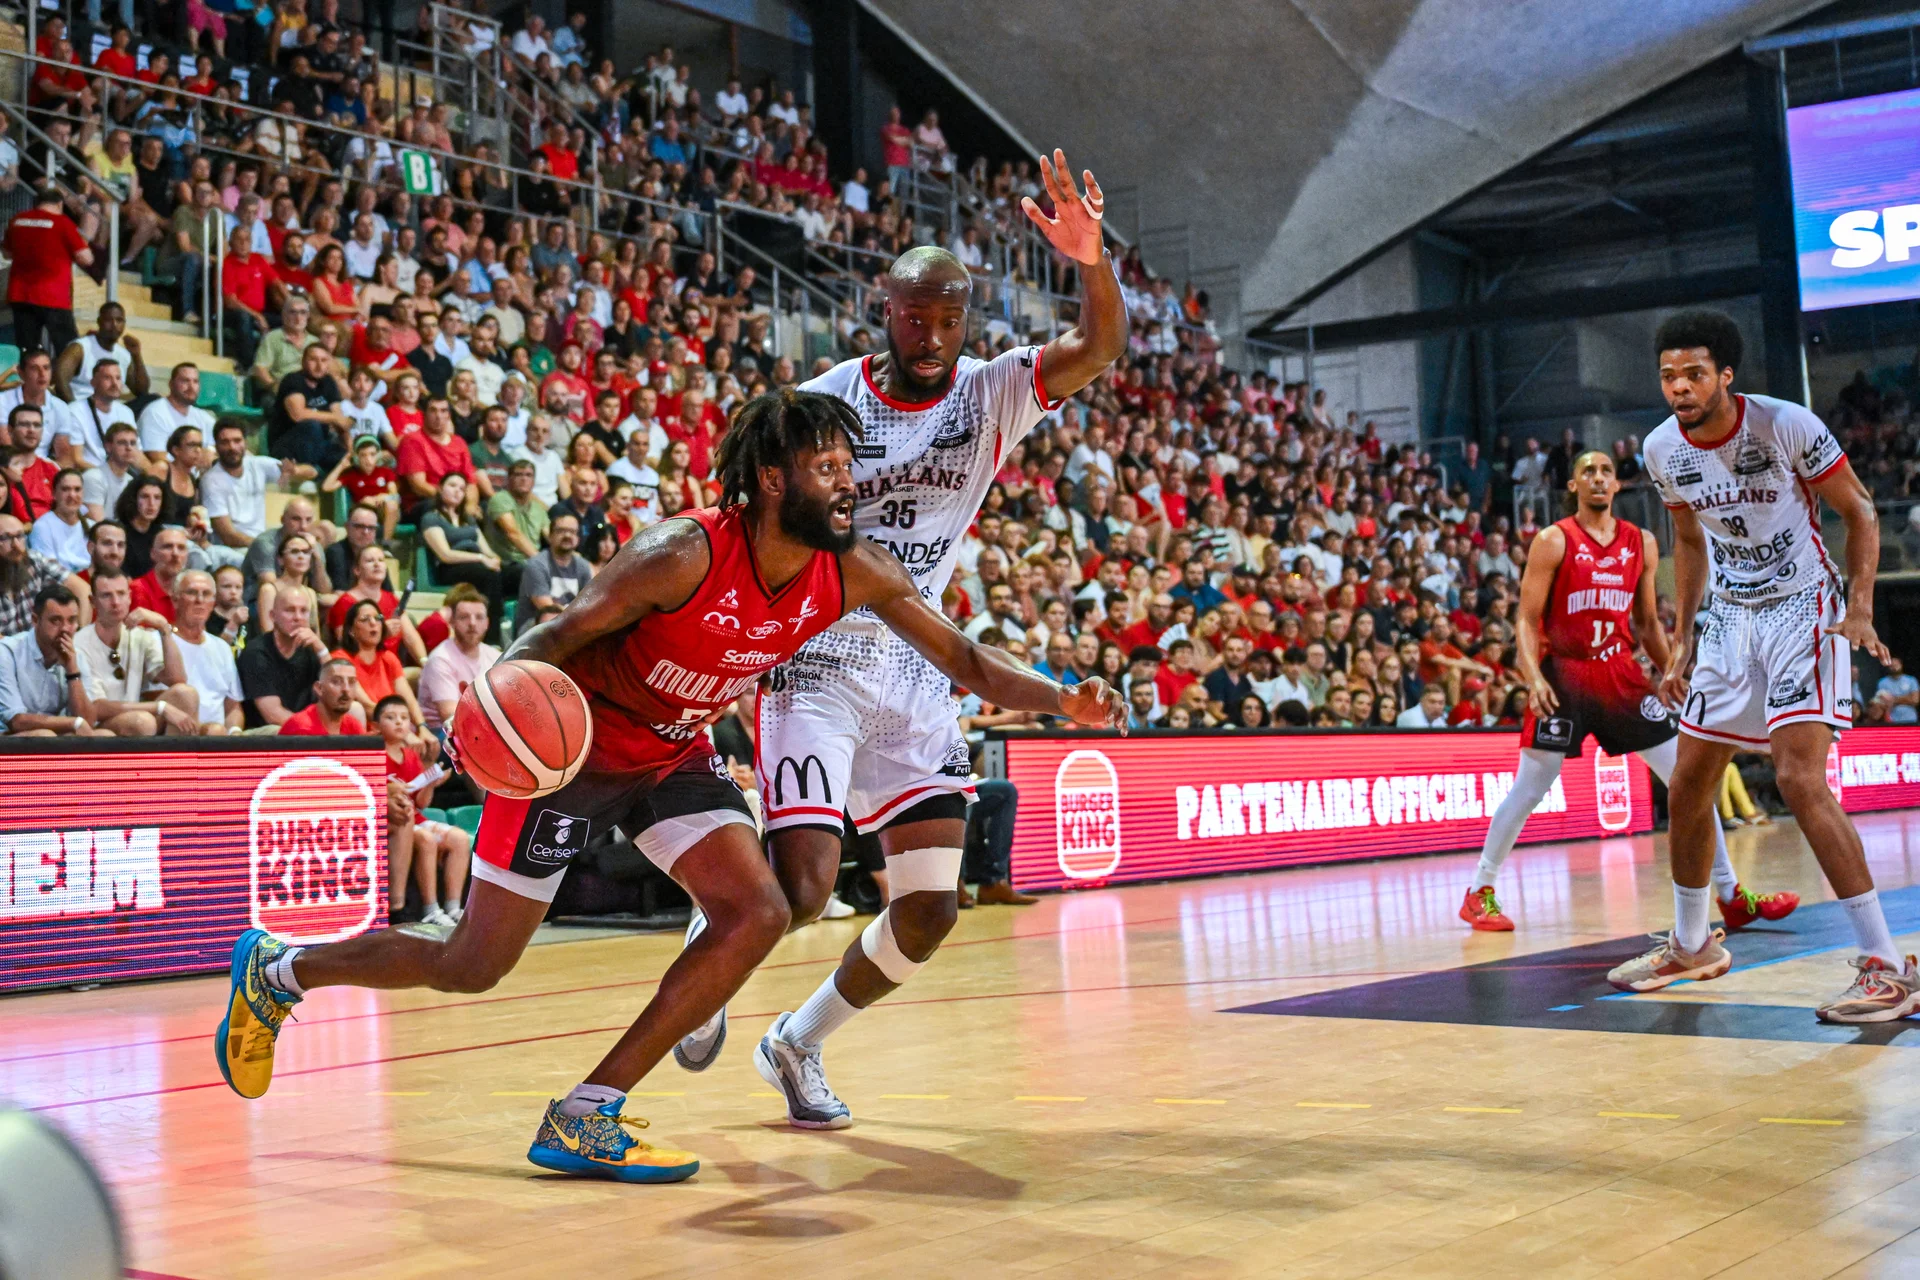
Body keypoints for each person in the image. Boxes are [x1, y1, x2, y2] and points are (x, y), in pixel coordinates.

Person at [213, 389, 1123, 1187]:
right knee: (471, 966)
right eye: (830, 466)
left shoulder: (854, 570)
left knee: (760, 910)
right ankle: (282, 971)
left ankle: (588, 1110)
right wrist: (481, 729)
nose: (851, 483)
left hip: (672, 757)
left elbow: (962, 657)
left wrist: (1061, 699)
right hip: (568, 762)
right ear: (774, 479)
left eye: (852, 465)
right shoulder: (682, 552)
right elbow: (552, 638)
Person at [708, 153, 1127, 1130]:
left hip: (922, 660)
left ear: (966, 319)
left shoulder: (988, 395)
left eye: (949, 318)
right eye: (915, 317)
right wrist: (737, 644)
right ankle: (713, 945)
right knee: (802, 889)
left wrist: (1091, 258)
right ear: (881, 309)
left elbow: (1099, 345)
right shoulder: (824, 401)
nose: (933, 336)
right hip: (818, 653)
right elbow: (745, 517)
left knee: (930, 907)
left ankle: (796, 1042)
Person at [1614, 311, 1904, 1022]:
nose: (1678, 387)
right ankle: (1692, 943)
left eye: (1693, 374)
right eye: (1668, 375)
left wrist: (1859, 605)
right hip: (1730, 619)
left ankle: (1889, 967)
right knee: (1688, 782)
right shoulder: (1661, 449)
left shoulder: (1784, 426)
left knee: (1800, 780)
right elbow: (1686, 537)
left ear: (1726, 375)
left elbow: (1861, 512)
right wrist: (1683, 634)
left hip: (1803, 607)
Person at [1461, 448, 1796, 933]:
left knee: (1690, 779)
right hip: (1566, 675)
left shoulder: (1641, 541)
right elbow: (1526, 619)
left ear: (1617, 485)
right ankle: (1479, 891)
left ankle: (1731, 895)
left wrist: (1671, 669)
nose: (1598, 479)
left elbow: (1644, 622)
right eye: (1587, 472)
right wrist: (1532, 676)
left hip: (1619, 674)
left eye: (1606, 472)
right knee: (1532, 785)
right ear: (1572, 485)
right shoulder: (1554, 541)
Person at [376, 693, 468, 925]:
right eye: (391, 717)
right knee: (427, 840)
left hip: (415, 816)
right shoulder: (374, 755)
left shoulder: (411, 756)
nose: (399, 722)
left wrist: (431, 781)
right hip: (396, 820)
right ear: (376, 725)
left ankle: (454, 907)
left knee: (459, 838)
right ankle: (430, 909)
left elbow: (423, 803)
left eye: (404, 717)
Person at [74, 567, 198, 736]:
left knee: (186, 694)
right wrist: (160, 707)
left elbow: (177, 679)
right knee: (142, 721)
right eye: (106, 595)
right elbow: (96, 708)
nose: (116, 602)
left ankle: (177, 761)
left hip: (136, 716)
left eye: (121, 594)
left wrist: (163, 627)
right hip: (96, 726)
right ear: (92, 601)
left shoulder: (139, 635)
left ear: (130, 597)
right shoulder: (79, 642)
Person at [0, 584, 104, 735]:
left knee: (104, 735)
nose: (65, 629)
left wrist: (72, 671)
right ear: (35, 620)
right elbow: (16, 721)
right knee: (45, 736)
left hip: (54, 735)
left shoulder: (77, 656)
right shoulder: (7, 652)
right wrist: (73, 723)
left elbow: (88, 721)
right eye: (56, 620)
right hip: (8, 737)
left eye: (72, 620)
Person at [4, 190, 93, 355]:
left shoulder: (17, 220)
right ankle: (65, 381)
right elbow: (86, 258)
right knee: (68, 350)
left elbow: (7, 253)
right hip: (53, 296)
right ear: (60, 204)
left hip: (20, 294)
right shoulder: (63, 223)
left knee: (28, 350)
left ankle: (28, 380)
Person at [236, 584, 331, 728]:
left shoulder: (312, 649)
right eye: (290, 610)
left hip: (306, 729)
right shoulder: (257, 652)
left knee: (354, 709)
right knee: (276, 729)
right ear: (272, 616)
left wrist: (322, 650)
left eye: (303, 611)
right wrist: (316, 730)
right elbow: (273, 714)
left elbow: (338, 691)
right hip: (265, 735)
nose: (298, 617)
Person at [414, 584, 498, 734]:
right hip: (441, 734)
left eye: (479, 617)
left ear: (487, 623)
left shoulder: (495, 656)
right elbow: (451, 716)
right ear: (451, 622)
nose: (472, 623)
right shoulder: (440, 659)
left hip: (480, 730)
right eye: (464, 617)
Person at [171, 568, 244, 732]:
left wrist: (235, 734)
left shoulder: (222, 647)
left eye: (206, 594)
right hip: (179, 735)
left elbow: (233, 707)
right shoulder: (160, 640)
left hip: (220, 739)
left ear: (213, 602)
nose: (199, 600)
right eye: (191, 592)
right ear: (175, 600)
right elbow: (153, 696)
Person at [53, 302, 146, 402]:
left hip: (111, 411)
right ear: (99, 322)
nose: (114, 325)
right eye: (108, 320)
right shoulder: (80, 348)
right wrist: (75, 409)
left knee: (151, 400)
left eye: (119, 320)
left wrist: (137, 356)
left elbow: (141, 391)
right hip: (82, 405)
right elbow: (60, 380)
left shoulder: (124, 355)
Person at [135, 363, 214, 466]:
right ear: (171, 384)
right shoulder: (154, 413)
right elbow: (157, 458)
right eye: (185, 381)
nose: (191, 387)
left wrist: (211, 451)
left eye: (195, 382)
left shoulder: (203, 417)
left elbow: (221, 447)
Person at [277, 656, 366, 735]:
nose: (346, 689)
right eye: (336, 682)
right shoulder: (300, 728)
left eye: (351, 682)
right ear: (319, 688)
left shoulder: (354, 726)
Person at [29, 468, 89, 572]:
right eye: (65, 489)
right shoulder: (43, 527)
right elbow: (49, 571)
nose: (72, 495)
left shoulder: (92, 526)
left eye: (77, 489)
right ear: (54, 494)